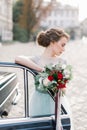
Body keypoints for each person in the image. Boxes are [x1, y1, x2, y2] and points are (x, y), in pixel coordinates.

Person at [15, 28, 73, 129]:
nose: (64, 49)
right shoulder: (37, 59)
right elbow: (18, 58)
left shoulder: (62, 62)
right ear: (53, 42)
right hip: (38, 102)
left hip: (57, 101)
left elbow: (64, 90)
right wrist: (42, 70)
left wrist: (59, 83)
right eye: (62, 45)